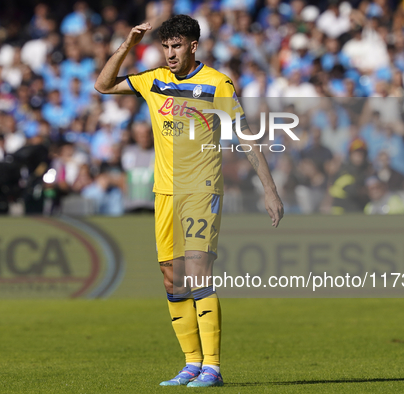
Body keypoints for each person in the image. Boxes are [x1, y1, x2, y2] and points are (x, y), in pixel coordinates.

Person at [95, 15, 283, 387]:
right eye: (165, 46)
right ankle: (191, 363)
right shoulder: (153, 80)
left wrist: (269, 188)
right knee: (172, 280)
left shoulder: (217, 83)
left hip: (202, 188)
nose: (169, 53)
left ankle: (212, 367)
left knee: (198, 272)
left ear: (193, 46)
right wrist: (128, 45)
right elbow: (103, 85)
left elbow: (244, 135)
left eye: (176, 45)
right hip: (165, 192)